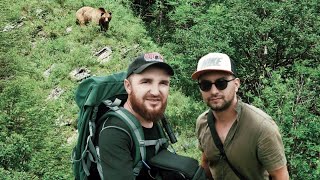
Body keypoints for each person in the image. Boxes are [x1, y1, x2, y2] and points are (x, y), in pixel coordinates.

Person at [192, 52, 289, 180]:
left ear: (236, 84)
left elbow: (280, 176)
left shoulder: (262, 128)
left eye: (221, 83)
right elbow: (206, 164)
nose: (214, 91)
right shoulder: (202, 123)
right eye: (205, 85)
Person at [95, 52, 174, 180]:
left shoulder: (153, 119)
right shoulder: (114, 131)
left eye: (163, 83)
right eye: (146, 82)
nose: (155, 92)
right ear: (128, 86)